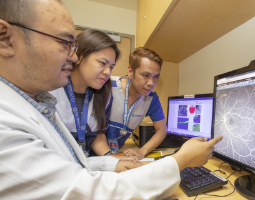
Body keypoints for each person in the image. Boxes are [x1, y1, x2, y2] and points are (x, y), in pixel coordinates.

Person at [0, 0, 223, 199]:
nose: (74, 57)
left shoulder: (40, 101)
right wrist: (180, 160)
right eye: (63, 42)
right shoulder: (7, 122)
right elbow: (86, 191)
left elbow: (71, 166)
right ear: (5, 39)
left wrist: (113, 162)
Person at [50, 29, 139, 163]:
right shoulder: (50, 89)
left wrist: (112, 159)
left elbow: (98, 135)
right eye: (102, 63)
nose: (107, 72)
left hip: (88, 163)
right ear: (79, 56)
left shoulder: (105, 93)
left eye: (111, 67)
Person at [106, 47, 168, 159]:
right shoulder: (107, 86)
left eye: (156, 77)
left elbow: (162, 130)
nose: (151, 83)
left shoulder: (151, 99)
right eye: (146, 75)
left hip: (115, 155)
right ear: (130, 72)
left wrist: (143, 151)